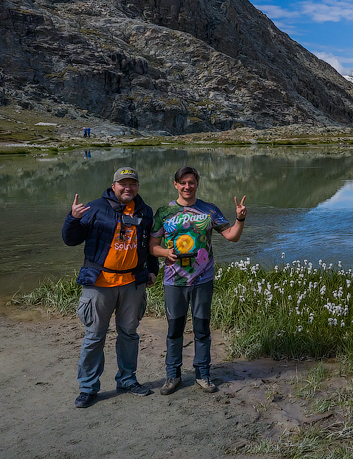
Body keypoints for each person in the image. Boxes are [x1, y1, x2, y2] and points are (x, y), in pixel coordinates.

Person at [62, 167, 158, 408]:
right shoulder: (94, 208)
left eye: (132, 184)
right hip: (99, 283)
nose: (128, 188)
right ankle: (88, 388)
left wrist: (153, 270)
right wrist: (72, 218)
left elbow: (149, 245)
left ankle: (127, 379)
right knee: (94, 336)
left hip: (132, 284)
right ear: (113, 186)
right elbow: (70, 239)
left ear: (138, 186)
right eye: (123, 184)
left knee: (129, 335)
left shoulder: (145, 212)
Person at [149, 167, 247, 395]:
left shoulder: (209, 210)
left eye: (191, 182)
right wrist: (166, 254)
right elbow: (152, 247)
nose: (187, 186)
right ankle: (172, 375)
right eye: (182, 183)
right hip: (174, 281)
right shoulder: (164, 212)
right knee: (175, 329)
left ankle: (203, 374)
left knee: (202, 328)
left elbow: (232, 236)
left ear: (197, 184)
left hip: (203, 279)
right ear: (175, 184)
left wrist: (240, 218)